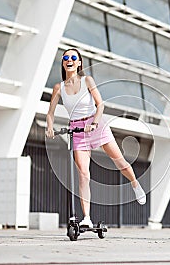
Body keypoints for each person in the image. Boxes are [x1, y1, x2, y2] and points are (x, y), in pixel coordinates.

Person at [46, 48, 146, 228]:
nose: (69, 60)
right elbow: (50, 113)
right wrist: (49, 127)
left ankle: (134, 183)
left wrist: (94, 123)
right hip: (76, 130)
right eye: (66, 58)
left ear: (79, 63)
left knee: (120, 162)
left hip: (96, 123)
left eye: (73, 58)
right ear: (63, 63)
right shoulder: (58, 88)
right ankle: (86, 217)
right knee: (83, 174)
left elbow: (100, 105)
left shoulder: (87, 80)